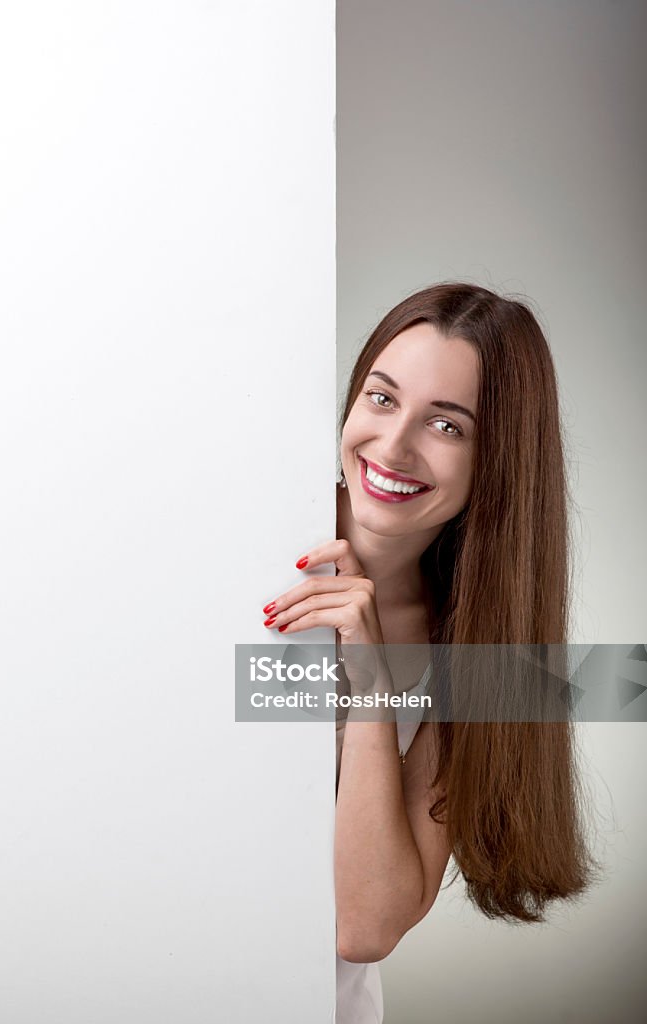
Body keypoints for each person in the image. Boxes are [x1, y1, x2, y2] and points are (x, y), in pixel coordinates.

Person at [259, 283, 595, 1022]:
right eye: (382, 399)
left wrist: (371, 676)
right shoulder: (251, 533)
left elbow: (366, 927)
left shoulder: (473, 655)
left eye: (447, 425)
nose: (395, 445)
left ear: (498, 463)